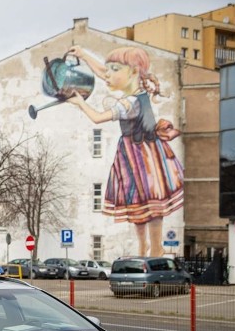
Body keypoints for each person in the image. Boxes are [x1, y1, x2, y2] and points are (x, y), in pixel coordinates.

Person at [66, 45, 184, 257]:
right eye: (109, 69)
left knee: (150, 200)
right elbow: (103, 73)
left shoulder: (129, 104)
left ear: (133, 71)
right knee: (139, 202)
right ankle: (144, 247)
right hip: (137, 154)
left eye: (115, 69)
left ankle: (155, 246)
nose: (108, 74)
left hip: (142, 156)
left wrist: (79, 103)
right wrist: (84, 55)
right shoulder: (137, 92)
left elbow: (97, 118)